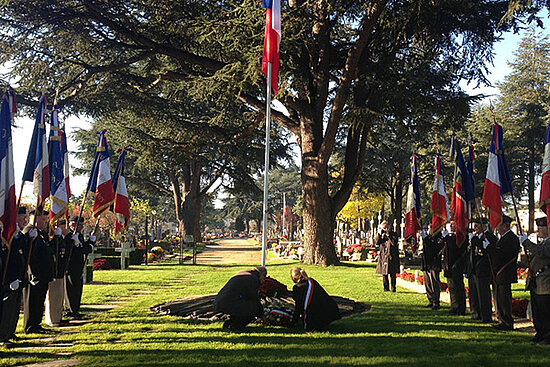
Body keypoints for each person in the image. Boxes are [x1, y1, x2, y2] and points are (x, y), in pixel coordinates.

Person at [22, 209, 55, 334]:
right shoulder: (28, 231)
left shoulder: (42, 233)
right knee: (31, 301)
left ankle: (36, 324)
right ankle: (29, 326)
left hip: (43, 274)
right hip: (34, 274)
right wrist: (32, 273)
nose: (45, 222)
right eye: (42, 219)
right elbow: (27, 254)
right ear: (34, 219)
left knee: (39, 300)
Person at [0, 207, 29, 345]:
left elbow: (22, 253)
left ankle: (10, 332)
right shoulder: (8, 236)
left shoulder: (18, 236)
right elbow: (9, 259)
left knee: (14, 309)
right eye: (22, 217)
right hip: (9, 279)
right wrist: (11, 278)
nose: (25, 220)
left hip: (18, 278)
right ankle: (3, 336)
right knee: (7, 309)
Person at [520, 217, 550, 344]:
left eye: (542, 227)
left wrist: (526, 242)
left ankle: (548, 336)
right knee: (537, 310)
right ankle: (540, 333)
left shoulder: (547, 244)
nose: (539, 230)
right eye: (538, 227)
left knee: (545, 311)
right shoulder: (543, 241)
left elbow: (542, 253)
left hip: (545, 281)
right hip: (536, 281)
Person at [486, 215, 520, 331]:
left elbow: (502, 255)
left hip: (505, 272)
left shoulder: (511, 238)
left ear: (505, 226)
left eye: (499, 226)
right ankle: (502, 320)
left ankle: (507, 322)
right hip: (499, 273)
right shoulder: (503, 238)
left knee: (504, 298)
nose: (497, 228)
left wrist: (490, 248)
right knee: (499, 298)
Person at [214, 266, 267, 331]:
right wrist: (262, 315)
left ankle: (229, 323)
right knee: (253, 308)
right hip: (229, 303)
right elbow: (253, 298)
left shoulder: (245, 273)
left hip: (221, 302)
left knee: (245, 305)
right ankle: (237, 326)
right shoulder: (253, 279)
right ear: (262, 275)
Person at [290, 267, 341, 332]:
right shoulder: (312, 282)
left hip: (315, 316)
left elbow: (299, 306)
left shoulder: (297, 288)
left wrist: (293, 321)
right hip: (330, 311)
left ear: (294, 278)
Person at [64, 216, 95, 320]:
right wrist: (80, 245)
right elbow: (77, 250)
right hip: (71, 267)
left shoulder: (79, 236)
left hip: (78, 266)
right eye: (80, 224)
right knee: (71, 290)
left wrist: (90, 242)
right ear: (73, 225)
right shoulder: (69, 236)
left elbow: (84, 248)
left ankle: (75, 310)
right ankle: (70, 311)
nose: (82, 227)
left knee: (77, 289)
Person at [466, 218, 496, 323]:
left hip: (483, 270)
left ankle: (486, 316)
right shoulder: (475, 237)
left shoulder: (489, 237)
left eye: (477, 226)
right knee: (473, 294)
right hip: (474, 269)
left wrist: (474, 240)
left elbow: (487, 251)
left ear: (484, 227)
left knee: (483, 294)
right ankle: (475, 313)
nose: (475, 228)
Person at [45, 219, 71, 327]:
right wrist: (55, 237)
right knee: (53, 296)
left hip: (60, 270)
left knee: (59, 296)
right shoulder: (52, 237)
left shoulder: (61, 238)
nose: (66, 227)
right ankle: (52, 319)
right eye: (63, 225)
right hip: (54, 271)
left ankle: (58, 316)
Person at [443, 221, 467, 315]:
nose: (452, 226)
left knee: (458, 288)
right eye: (451, 224)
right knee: (451, 287)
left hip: (456, 266)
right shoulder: (450, 236)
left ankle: (460, 308)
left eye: (454, 224)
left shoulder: (460, 237)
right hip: (449, 266)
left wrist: (447, 238)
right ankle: (454, 306)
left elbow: (455, 248)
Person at [421, 231, 444, 310]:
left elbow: (434, 247)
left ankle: (436, 302)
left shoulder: (439, 237)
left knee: (434, 282)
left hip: (434, 262)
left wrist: (425, 238)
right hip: (426, 262)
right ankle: (430, 300)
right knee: (428, 283)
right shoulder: (430, 236)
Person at [375, 220, 400, 292]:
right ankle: (386, 288)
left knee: (392, 273)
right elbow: (377, 243)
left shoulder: (394, 234)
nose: (385, 229)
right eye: (384, 228)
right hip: (383, 255)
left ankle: (393, 288)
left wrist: (389, 235)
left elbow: (394, 243)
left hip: (392, 255)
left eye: (386, 228)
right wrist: (380, 235)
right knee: (384, 273)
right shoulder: (381, 235)